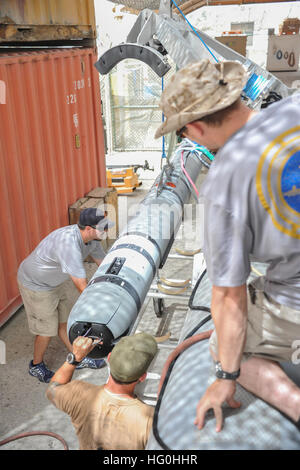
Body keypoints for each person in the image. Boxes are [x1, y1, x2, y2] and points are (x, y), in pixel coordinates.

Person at [155, 59, 300, 433]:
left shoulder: (223, 183)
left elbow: (229, 298)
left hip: (294, 305)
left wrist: (225, 375)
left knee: (222, 341)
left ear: (197, 127)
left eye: (185, 134)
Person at [18, 208, 113, 383]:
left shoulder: (93, 240)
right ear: (89, 229)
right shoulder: (68, 244)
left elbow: (103, 264)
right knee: (47, 329)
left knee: (65, 322)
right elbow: (81, 285)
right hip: (36, 285)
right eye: (103, 228)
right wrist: (101, 306)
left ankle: (79, 357)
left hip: (53, 282)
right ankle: (36, 365)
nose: (106, 231)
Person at [46, 332, 158, 450]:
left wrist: (75, 357)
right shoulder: (149, 420)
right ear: (143, 376)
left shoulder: (79, 394)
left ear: (109, 358)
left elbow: (52, 388)